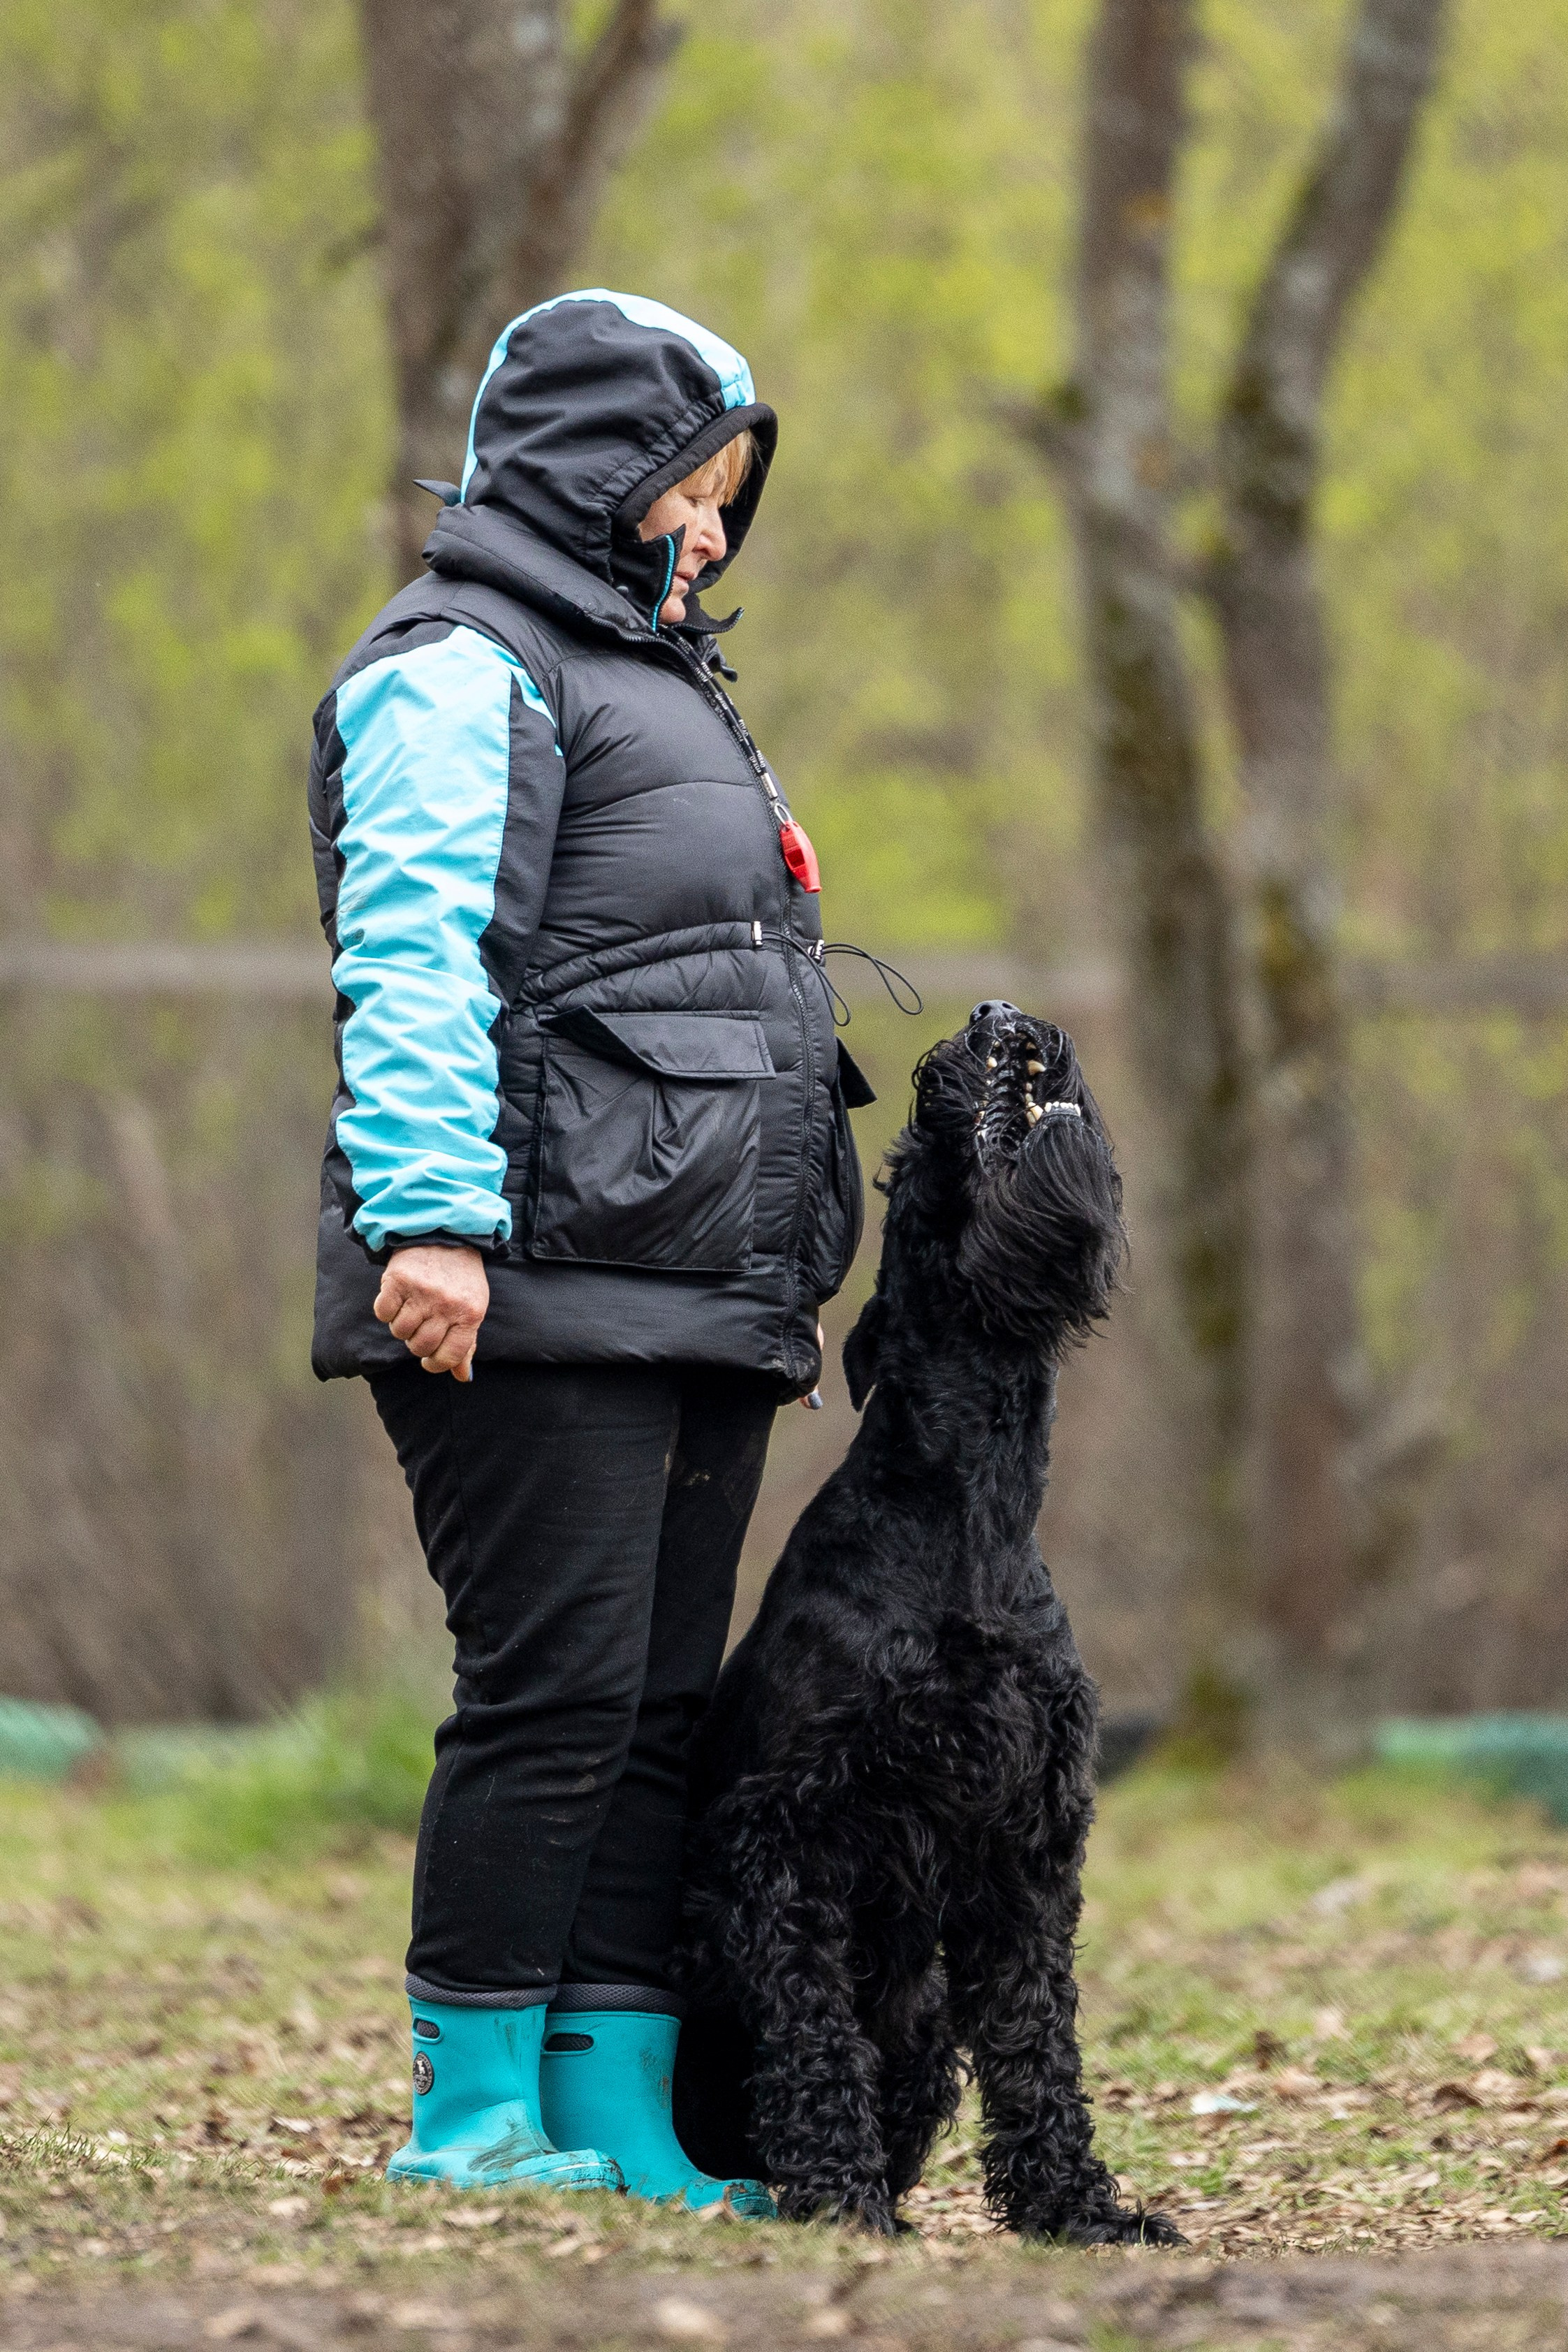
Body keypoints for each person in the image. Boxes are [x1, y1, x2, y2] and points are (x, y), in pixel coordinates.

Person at [306, 292, 874, 2211]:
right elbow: (414, 954)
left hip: (698, 1291)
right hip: (522, 1281)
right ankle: (470, 2118)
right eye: (689, 492)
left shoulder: (661, 676)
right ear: (595, 471)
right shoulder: (459, 665)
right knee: (549, 1698)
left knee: (655, 1713)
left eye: (727, 499)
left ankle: (615, 2112)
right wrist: (435, 1223)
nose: (712, 532)